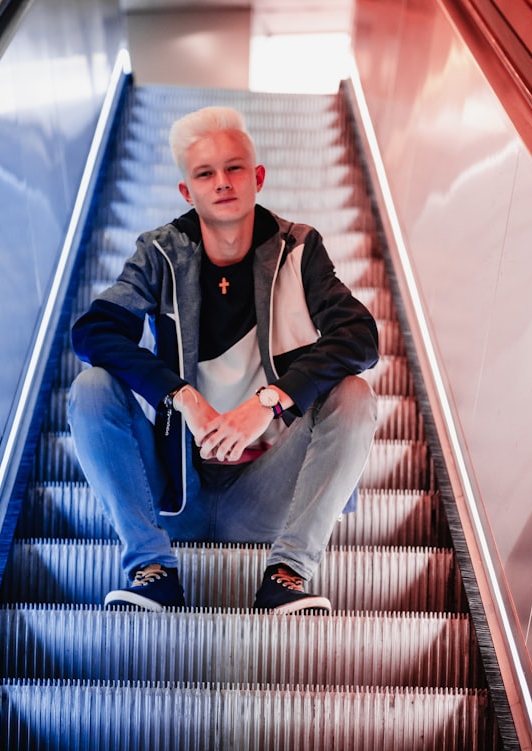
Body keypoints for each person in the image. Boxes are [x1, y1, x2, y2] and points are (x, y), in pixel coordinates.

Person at [68, 105, 379, 614]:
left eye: (234, 168)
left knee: (355, 394)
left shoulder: (298, 249)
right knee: (90, 388)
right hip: (175, 491)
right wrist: (181, 396)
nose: (222, 183)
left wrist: (271, 401)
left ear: (257, 178)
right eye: (205, 173)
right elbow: (94, 331)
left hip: (269, 493)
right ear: (187, 192)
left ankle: (288, 572)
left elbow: (360, 336)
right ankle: (152, 569)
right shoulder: (161, 253)